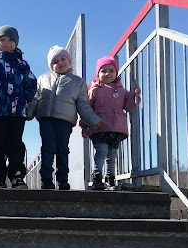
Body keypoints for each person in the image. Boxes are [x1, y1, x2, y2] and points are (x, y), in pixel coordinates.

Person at [27, 46, 104, 190]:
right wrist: (28, 113)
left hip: (65, 121)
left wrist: (93, 120)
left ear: (69, 61)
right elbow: (36, 98)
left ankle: (62, 178)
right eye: (55, 61)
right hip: (45, 118)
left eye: (63, 59)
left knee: (62, 148)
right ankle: (46, 178)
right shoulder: (43, 79)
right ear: (51, 66)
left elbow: (83, 104)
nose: (60, 63)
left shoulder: (78, 82)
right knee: (48, 147)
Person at [0, 25, 36, 189]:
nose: (6, 43)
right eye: (2, 39)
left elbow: (31, 83)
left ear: (16, 43)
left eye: (10, 40)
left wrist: (25, 99)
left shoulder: (22, 64)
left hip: (17, 113)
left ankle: (17, 177)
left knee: (15, 146)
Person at [81, 56, 141, 190]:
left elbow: (130, 107)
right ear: (98, 74)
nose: (107, 74)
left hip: (116, 128)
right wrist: (84, 125)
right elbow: (86, 109)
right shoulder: (94, 91)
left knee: (112, 154)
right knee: (101, 152)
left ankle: (111, 179)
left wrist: (135, 96)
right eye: (103, 71)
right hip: (99, 127)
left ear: (116, 73)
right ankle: (97, 178)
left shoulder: (122, 91)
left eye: (111, 71)